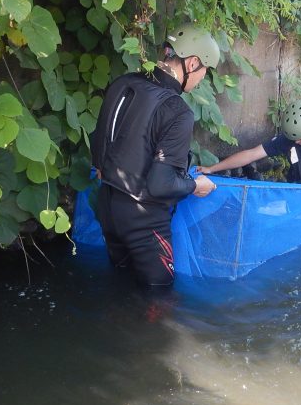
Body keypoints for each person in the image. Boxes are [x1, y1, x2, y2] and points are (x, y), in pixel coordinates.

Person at [89, 23, 220, 290]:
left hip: (107, 205)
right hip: (144, 220)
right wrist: (196, 186)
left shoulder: (123, 83)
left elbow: (98, 153)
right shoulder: (177, 111)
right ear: (193, 63)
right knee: (159, 299)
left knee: (121, 284)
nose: (201, 81)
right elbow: (160, 185)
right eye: (204, 73)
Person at [198, 99, 301, 196]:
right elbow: (251, 154)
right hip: (299, 192)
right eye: (295, 138)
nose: (298, 142)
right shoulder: (291, 139)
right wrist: (212, 169)